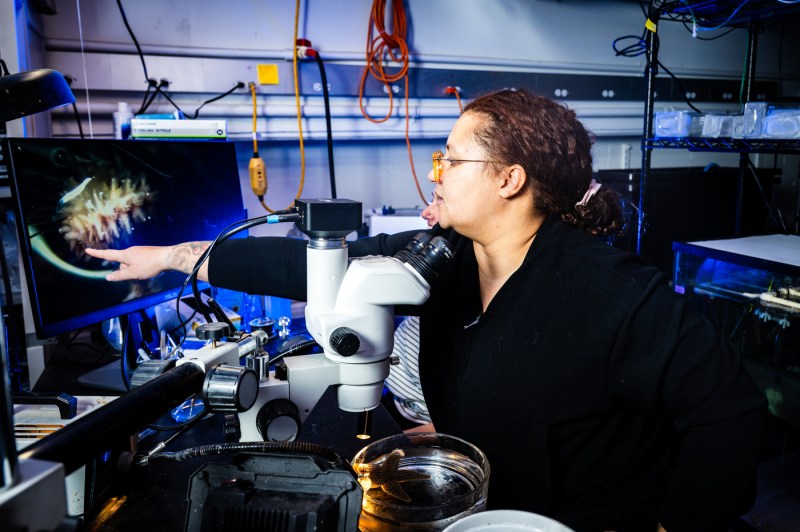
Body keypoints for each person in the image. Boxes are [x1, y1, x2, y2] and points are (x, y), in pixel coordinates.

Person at [86, 89, 767, 532]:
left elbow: (729, 412)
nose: (435, 170)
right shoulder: (443, 257)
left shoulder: (611, 290)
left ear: (509, 180)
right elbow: (323, 266)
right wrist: (179, 256)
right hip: (490, 505)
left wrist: (678, 526)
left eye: (451, 157)